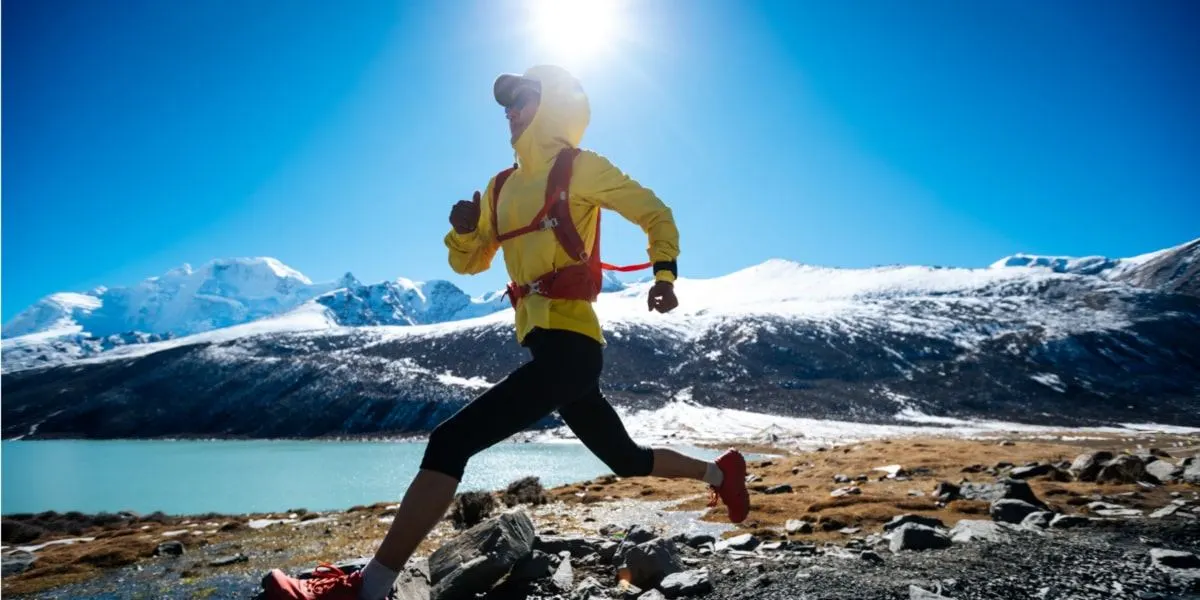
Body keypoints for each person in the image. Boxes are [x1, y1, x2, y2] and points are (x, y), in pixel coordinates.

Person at [264, 65, 749, 600]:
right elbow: (470, 264)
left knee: (450, 441)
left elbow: (655, 213)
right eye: (506, 105)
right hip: (550, 350)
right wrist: (465, 230)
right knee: (626, 459)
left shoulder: (580, 168)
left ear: (552, 105)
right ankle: (721, 475)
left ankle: (368, 587)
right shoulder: (499, 187)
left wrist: (664, 274)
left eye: (521, 101)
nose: (510, 112)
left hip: (574, 350)